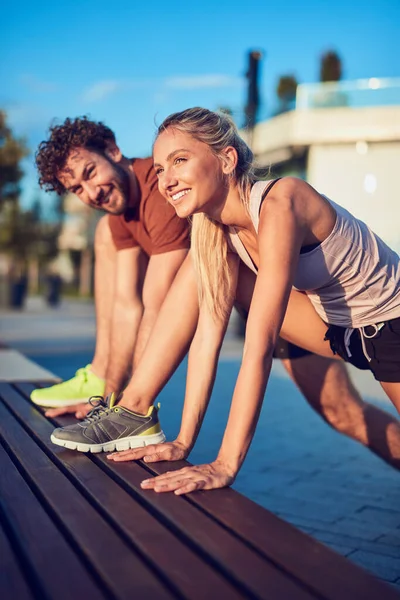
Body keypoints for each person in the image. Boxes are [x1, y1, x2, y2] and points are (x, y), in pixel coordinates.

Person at [49, 109, 400, 477]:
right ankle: (134, 412)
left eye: (179, 161)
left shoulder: (283, 202)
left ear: (227, 159)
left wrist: (225, 465)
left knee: (344, 412)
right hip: (336, 329)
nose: (167, 180)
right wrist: (185, 441)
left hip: (390, 328)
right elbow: (205, 343)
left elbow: (258, 346)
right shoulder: (214, 230)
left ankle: (135, 409)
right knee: (199, 267)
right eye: (160, 170)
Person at [32, 116, 191, 445]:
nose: (91, 193)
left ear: (113, 150)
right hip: (254, 309)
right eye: (77, 188)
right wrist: (108, 400)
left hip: (292, 299)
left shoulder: (159, 191)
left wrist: (129, 409)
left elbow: (156, 308)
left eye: (90, 173)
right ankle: (104, 383)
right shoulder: (121, 211)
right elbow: (126, 307)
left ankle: (132, 409)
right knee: (330, 405)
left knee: (331, 406)